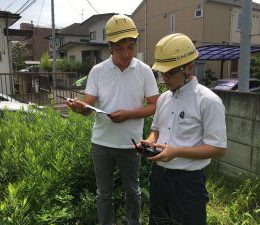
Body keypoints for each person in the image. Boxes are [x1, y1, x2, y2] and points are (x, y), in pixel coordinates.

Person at [67, 14, 159, 225]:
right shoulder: (98, 71)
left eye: (131, 46)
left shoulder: (144, 71)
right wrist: (80, 108)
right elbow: (88, 106)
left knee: (133, 192)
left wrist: (128, 114)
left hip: (131, 144)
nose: (126, 53)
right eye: (120, 48)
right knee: (103, 194)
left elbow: (155, 105)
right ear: (109, 46)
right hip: (101, 142)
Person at [140, 33, 227, 225]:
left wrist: (177, 151)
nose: (164, 78)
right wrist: (150, 141)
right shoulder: (164, 98)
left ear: (188, 68)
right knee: (158, 221)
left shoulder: (208, 101)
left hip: (188, 182)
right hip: (159, 176)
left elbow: (218, 148)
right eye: (161, 73)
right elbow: (156, 129)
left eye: (169, 73)